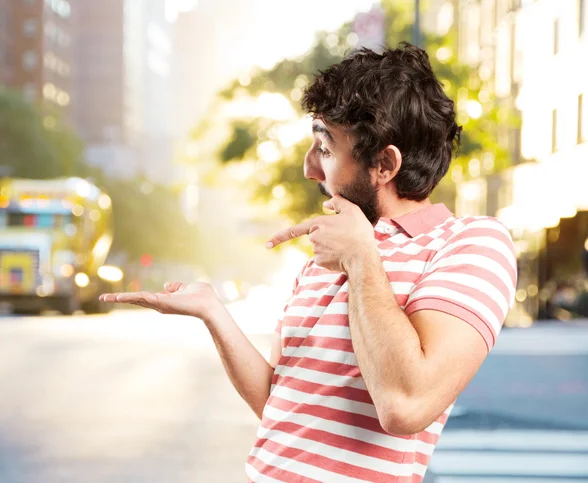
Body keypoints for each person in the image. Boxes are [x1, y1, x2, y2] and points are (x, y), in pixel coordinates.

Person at [101, 43, 518, 482]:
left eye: (325, 148)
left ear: (384, 164)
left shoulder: (470, 243)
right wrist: (213, 312)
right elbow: (279, 403)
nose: (309, 169)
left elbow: (404, 404)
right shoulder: (327, 257)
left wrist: (360, 255)